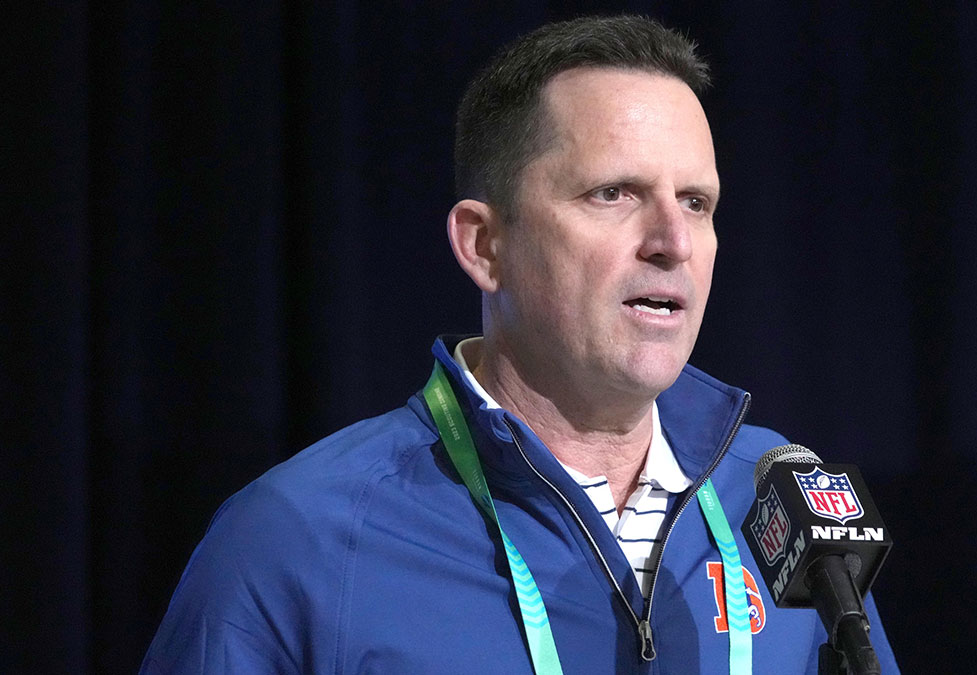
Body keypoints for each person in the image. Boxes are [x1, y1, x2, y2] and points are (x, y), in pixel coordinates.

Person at [142, 15, 899, 674]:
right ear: (484, 244)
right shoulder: (298, 538)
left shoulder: (782, 508)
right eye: (615, 194)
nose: (673, 241)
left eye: (696, 202)